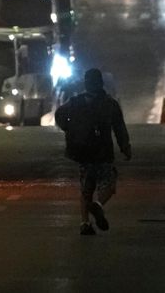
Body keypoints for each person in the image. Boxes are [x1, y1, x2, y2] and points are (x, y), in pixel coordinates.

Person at [55, 68, 131, 236]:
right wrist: (125, 147)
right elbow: (119, 128)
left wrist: (69, 129)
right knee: (109, 184)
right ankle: (98, 205)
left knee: (86, 188)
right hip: (103, 151)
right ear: (101, 83)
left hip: (83, 152)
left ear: (86, 83)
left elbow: (59, 114)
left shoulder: (75, 102)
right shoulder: (110, 104)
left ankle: (84, 223)